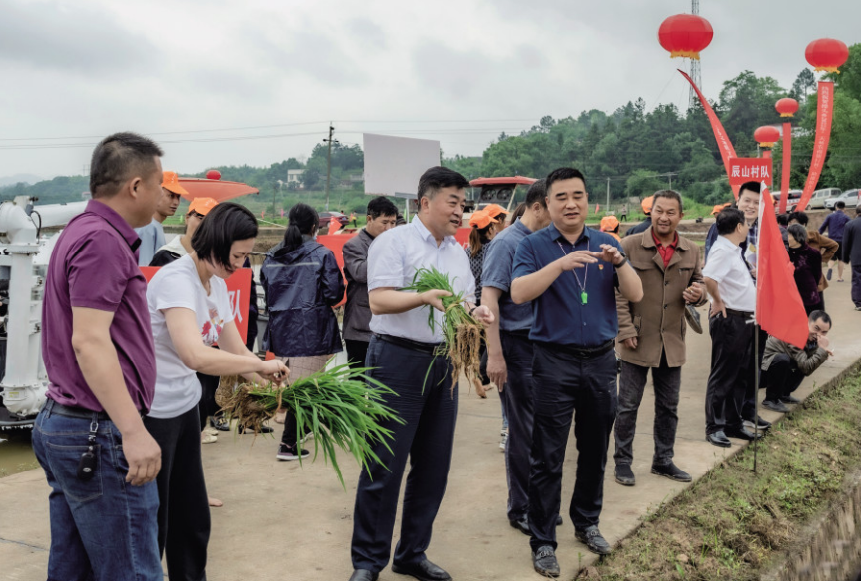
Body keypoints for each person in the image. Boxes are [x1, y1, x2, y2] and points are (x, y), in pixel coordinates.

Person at [348, 167, 494, 581]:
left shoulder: (456, 251)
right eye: (453, 202)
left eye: (463, 205)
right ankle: (367, 562)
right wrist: (425, 297)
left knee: (433, 466)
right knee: (384, 465)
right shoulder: (394, 242)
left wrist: (476, 313)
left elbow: (462, 304)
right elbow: (378, 301)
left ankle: (412, 553)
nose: (460, 212)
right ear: (425, 202)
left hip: (442, 363)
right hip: (396, 360)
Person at [33, 132, 166, 581]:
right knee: (132, 570)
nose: (162, 196)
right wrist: (133, 431)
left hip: (70, 423)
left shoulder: (79, 230)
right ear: (135, 187)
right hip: (96, 432)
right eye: (159, 184)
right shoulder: (103, 242)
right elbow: (89, 342)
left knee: (74, 568)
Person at [144, 203, 288, 581]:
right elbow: (195, 355)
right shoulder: (177, 280)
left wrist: (271, 384)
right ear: (216, 242)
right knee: (154, 521)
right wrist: (259, 365)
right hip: (153, 414)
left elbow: (234, 349)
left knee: (192, 516)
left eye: (246, 256)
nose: (241, 264)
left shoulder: (217, 283)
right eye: (238, 255)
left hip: (185, 408)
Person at [511, 167, 643, 573]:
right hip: (553, 360)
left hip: (601, 361)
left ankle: (586, 522)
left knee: (593, 449)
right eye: (562, 197)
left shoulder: (607, 243)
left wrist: (620, 262)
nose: (571, 204)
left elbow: (636, 293)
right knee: (547, 454)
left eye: (578, 196)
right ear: (546, 204)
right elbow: (518, 294)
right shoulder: (532, 245)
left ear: (589, 201)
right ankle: (543, 538)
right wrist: (560, 266)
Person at [613, 190, 706, 487]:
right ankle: (623, 462)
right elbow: (616, 293)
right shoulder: (629, 246)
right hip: (637, 337)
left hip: (672, 340)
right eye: (658, 211)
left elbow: (698, 283)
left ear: (680, 216)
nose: (664, 217)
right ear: (650, 213)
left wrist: (698, 293)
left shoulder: (691, 250)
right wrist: (625, 329)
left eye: (670, 212)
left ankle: (663, 460)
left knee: (669, 406)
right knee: (628, 404)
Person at [481, 179, 552, 535]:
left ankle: (539, 503)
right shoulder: (505, 244)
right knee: (522, 431)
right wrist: (495, 356)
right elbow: (490, 301)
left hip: (547, 346)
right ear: (537, 207)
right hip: (517, 346)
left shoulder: (548, 243)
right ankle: (520, 507)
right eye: (556, 207)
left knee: (544, 430)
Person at [261, 203, 345, 461]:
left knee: (294, 385)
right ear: (314, 227)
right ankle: (288, 445)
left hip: (281, 330)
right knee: (304, 388)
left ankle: (303, 428)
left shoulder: (271, 255)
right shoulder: (322, 254)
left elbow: (268, 290)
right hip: (312, 330)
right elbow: (334, 294)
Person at [702, 208, 763, 449]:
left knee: (741, 374)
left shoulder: (733, 250)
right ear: (738, 226)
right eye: (746, 224)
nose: (748, 228)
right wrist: (717, 300)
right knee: (724, 374)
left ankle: (733, 422)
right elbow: (709, 279)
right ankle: (714, 426)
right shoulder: (722, 250)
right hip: (731, 320)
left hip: (746, 319)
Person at [342, 196, 398, 369]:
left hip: (389, 327)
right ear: (369, 219)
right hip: (361, 328)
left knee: (384, 383)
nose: (389, 228)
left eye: (393, 223)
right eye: (384, 222)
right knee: (358, 381)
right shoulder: (354, 245)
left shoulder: (395, 244)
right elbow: (360, 273)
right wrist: (385, 251)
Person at [761, 311, 832, 413]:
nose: (819, 334)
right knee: (783, 359)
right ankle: (771, 399)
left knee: (798, 361)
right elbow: (806, 368)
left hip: (775, 370)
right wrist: (821, 352)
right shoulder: (795, 334)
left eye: (824, 332)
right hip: (761, 373)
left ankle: (783, 394)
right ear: (807, 322)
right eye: (816, 328)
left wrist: (821, 352)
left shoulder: (812, 338)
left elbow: (808, 364)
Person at [466, 208, 504, 398]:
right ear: (489, 229)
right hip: (490, 301)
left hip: (473, 303)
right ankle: (483, 375)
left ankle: (478, 375)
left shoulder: (469, 250)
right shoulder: (494, 248)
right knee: (491, 342)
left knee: (480, 344)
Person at [788, 211, 839, 307]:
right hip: (794, 285)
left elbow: (833, 245)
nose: (791, 226)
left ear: (803, 225)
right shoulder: (788, 240)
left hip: (814, 284)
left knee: (817, 313)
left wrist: (822, 259)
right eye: (789, 224)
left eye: (794, 223)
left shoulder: (814, 237)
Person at [135, 170, 186, 266]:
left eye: (178, 197)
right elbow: (145, 269)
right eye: (171, 196)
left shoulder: (155, 225)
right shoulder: (148, 227)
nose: (175, 202)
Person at [704, 183, 760, 266]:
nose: (751, 206)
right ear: (738, 201)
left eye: (757, 202)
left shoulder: (765, 230)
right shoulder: (720, 226)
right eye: (747, 201)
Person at [787, 224, 824, 314]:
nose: (786, 237)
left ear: (798, 236)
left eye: (789, 235)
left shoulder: (813, 254)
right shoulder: (785, 253)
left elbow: (817, 275)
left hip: (809, 296)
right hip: (789, 297)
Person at [819, 201, 851, 281]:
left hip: (831, 240)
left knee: (832, 257)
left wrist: (818, 235)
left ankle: (830, 268)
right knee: (840, 259)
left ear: (836, 207)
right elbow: (851, 227)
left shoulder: (830, 216)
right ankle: (839, 277)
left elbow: (822, 227)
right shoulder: (846, 217)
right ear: (844, 208)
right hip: (842, 240)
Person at [844, 203, 861, 310]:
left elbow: (846, 243)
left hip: (857, 257)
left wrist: (845, 257)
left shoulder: (850, 225)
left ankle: (858, 303)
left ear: (856, 212)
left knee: (857, 280)